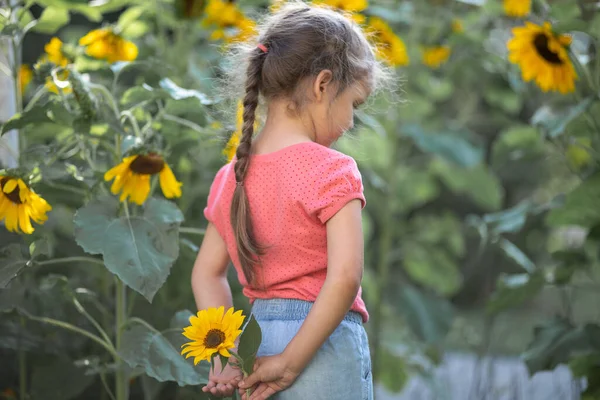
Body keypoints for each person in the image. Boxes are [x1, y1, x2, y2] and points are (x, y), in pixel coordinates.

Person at [191, 1, 388, 399]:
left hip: (255, 347)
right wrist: (293, 360)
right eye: (354, 104)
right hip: (322, 346)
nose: (350, 122)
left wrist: (223, 354)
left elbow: (207, 274)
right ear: (322, 85)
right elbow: (346, 278)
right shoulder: (333, 170)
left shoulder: (233, 175)